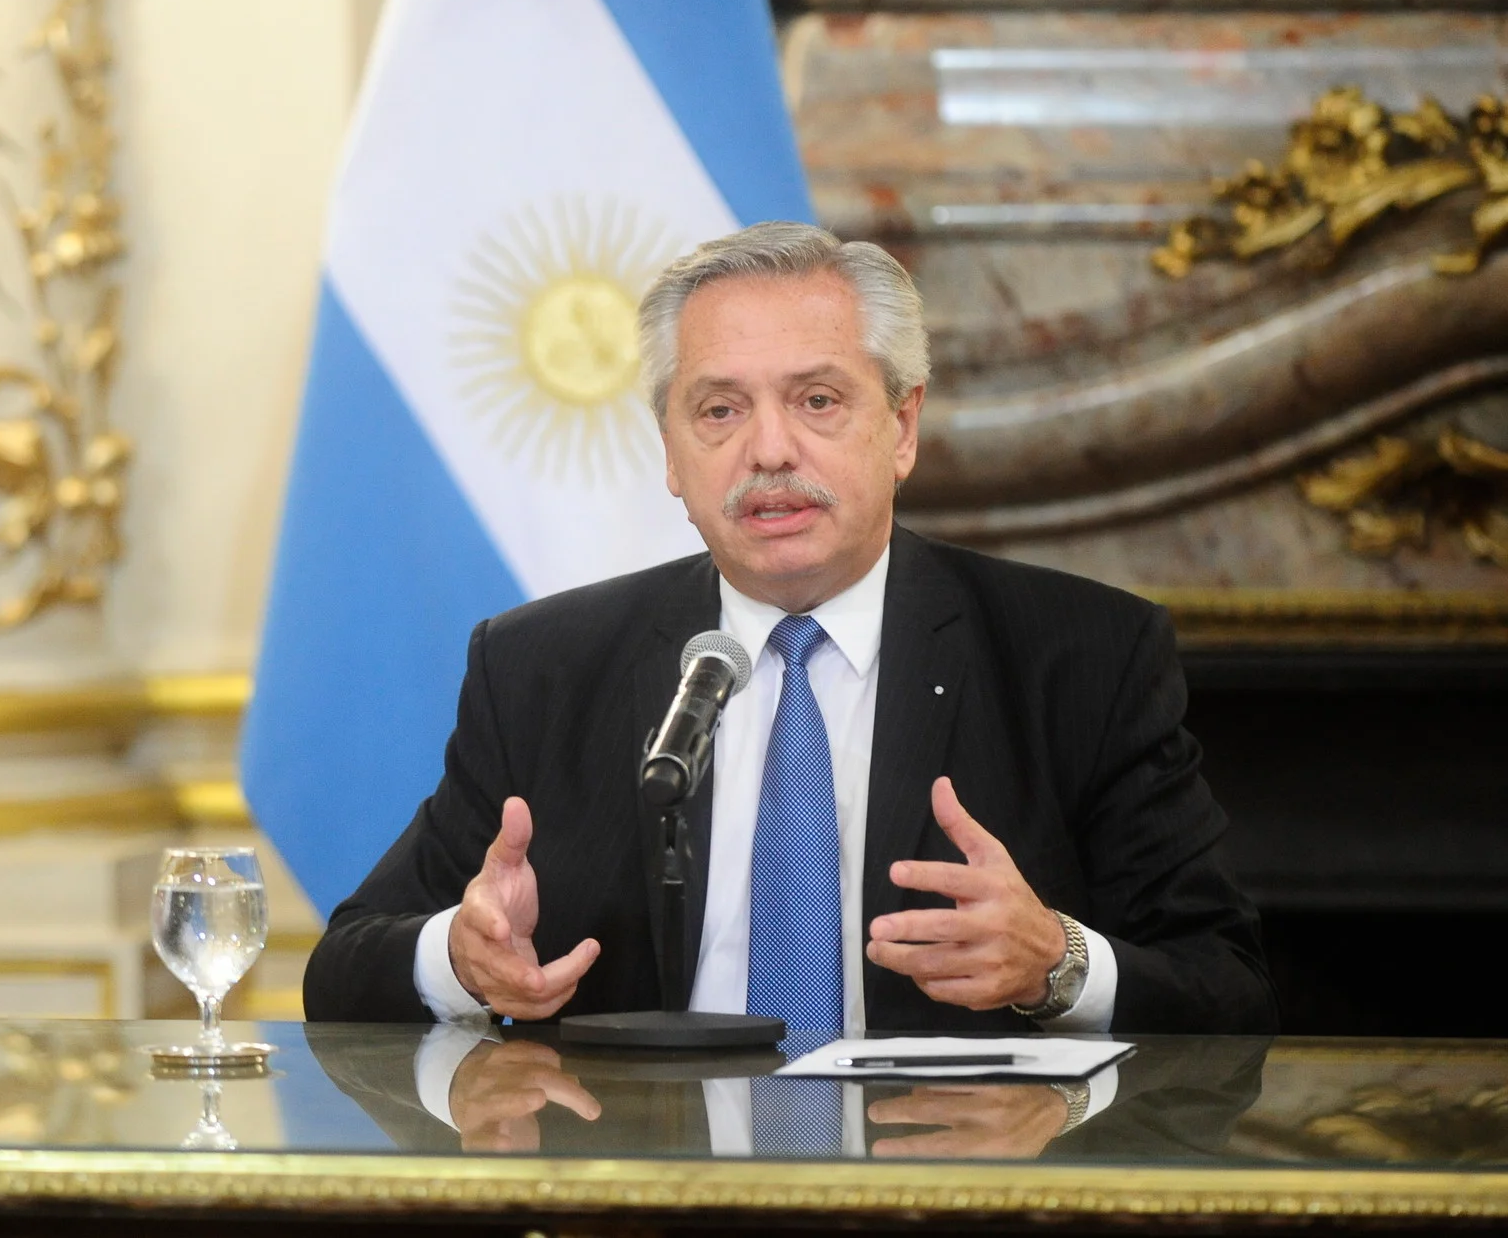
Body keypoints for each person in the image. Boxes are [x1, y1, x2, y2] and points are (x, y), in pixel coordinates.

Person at [303, 221, 1276, 1050]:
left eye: (816, 400)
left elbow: (1230, 989)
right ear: (671, 454)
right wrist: (461, 958)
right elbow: (342, 969)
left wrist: (1055, 964)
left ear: (901, 427)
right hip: (645, 1185)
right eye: (719, 410)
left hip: (946, 1183)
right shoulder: (542, 669)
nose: (768, 450)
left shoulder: (1079, 657)